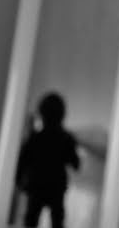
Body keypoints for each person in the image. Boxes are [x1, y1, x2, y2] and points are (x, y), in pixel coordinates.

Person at [15, 92, 81, 228]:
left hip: (36, 185)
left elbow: (22, 162)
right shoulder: (66, 138)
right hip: (56, 186)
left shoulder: (35, 138)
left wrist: (19, 182)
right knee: (57, 220)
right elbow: (75, 164)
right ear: (62, 115)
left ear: (41, 113)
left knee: (31, 219)